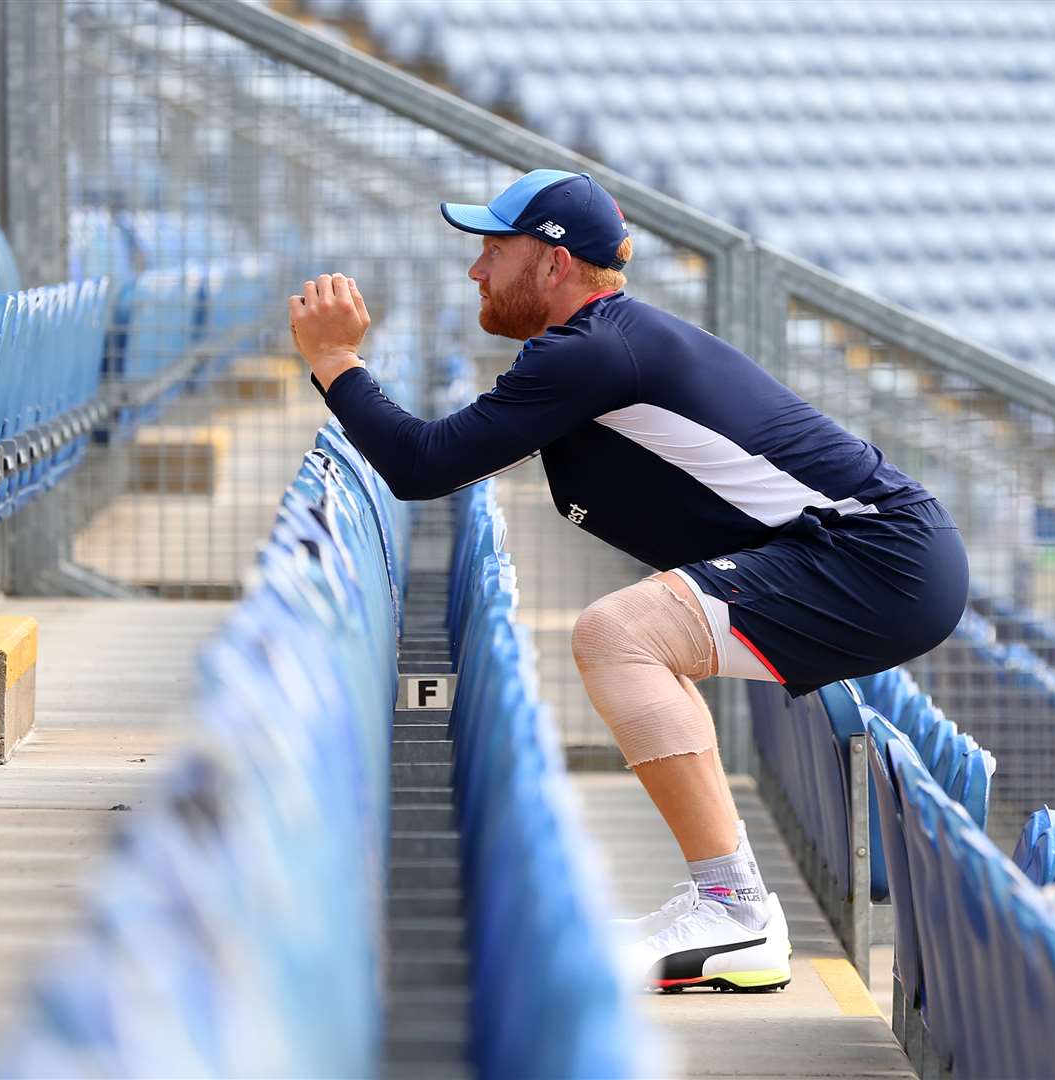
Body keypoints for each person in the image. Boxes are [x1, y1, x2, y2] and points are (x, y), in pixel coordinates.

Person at [289, 169, 969, 993]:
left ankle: (736, 914)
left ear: (551, 263)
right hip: (879, 555)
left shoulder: (592, 352)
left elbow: (421, 465)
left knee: (619, 635)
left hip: (876, 558)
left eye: (492, 251)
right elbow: (445, 458)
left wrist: (334, 361)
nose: (475, 271)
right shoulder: (595, 347)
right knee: (627, 635)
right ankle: (725, 905)